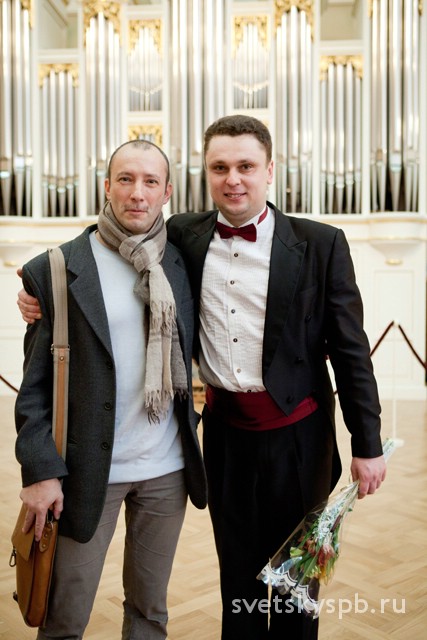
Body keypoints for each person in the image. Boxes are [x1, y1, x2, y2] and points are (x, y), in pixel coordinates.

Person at [18, 116, 386, 640]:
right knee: (236, 579)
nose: (233, 179)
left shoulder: (322, 243)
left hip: (302, 442)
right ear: (205, 174)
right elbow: (115, 234)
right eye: (220, 167)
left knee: (296, 585)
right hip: (225, 439)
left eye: (246, 166)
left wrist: (367, 444)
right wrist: (39, 286)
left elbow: (351, 352)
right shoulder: (185, 237)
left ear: (270, 170)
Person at [14, 139, 207, 640]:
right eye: (125, 179)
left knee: (150, 614)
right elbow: (33, 390)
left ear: (167, 192)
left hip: (166, 470)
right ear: (107, 187)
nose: (137, 193)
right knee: (64, 618)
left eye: (150, 182)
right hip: (83, 473)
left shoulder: (181, 263)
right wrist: (40, 472)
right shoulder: (55, 269)